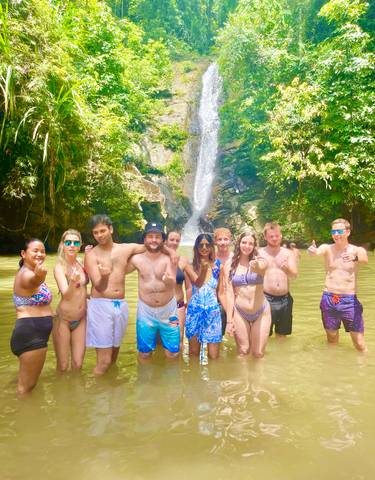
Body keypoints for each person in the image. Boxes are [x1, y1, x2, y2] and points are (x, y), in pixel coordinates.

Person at [84, 214, 147, 375]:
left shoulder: (125, 249)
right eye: (96, 232)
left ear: (111, 229)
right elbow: (98, 285)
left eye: (102, 231)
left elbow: (150, 246)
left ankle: (111, 394)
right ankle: (93, 395)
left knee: (112, 359)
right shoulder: (92, 255)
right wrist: (104, 275)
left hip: (121, 305)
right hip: (100, 306)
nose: (99, 235)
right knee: (104, 362)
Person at [308, 218, 368, 352]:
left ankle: (364, 367)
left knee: (359, 342)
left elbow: (364, 259)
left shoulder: (356, 250)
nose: (336, 234)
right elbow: (316, 252)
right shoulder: (327, 249)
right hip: (329, 298)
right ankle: (333, 366)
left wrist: (355, 258)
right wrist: (312, 251)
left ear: (347, 232)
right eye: (333, 231)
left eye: (339, 231)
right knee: (332, 338)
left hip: (349, 300)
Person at [127, 223, 180, 361]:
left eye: (157, 237)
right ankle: (144, 382)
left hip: (169, 311)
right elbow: (118, 270)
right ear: (144, 239)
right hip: (145, 311)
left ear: (163, 240)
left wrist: (168, 281)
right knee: (144, 353)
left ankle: (172, 382)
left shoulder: (170, 258)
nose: (154, 240)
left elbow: (172, 281)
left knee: (173, 353)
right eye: (150, 236)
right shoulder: (136, 259)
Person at [11, 239, 53, 394]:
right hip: (31, 336)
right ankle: (22, 416)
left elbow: (39, 303)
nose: (40, 254)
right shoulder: (26, 275)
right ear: (23, 253)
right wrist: (39, 277)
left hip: (33, 336)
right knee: (26, 389)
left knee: (28, 385)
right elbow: (33, 281)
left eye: (42, 251)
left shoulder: (31, 271)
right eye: (35, 251)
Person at [224, 230, 271, 358]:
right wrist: (229, 321)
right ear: (238, 243)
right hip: (240, 312)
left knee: (258, 353)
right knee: (243, 351)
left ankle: (258, 378)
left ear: (255, 245)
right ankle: (243, 378)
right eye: (244, 242)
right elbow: (229, 293)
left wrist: (256, 266)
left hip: (261, 311)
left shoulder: (261, 260)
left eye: (251, 243)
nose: (247, 246)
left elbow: (262, 267)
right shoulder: (230, 265)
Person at [52, 229, 88, 372]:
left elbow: (83, 290)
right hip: (64, 320)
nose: (72, 245)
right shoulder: (59, 267)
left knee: (78, 365)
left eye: (75, 242)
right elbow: (66, 295)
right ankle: (60, 393)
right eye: (68, 242)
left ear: (80, 245)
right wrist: (73, 282)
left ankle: (76, 393)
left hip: (81, 319)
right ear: (62, 245)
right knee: (63, 366)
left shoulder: (81, 263)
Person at [185, 234, 224, 360]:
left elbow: (221, 292)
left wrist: (230, 318)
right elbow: (197, 283)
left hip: (212, 312)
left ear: (212, 247)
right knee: (194, 353)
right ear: (196, 247)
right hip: (195, 312)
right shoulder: (190, 265)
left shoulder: (218, 266)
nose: (204, 247)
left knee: (213, 355)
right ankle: (194, 378)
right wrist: (203, 270)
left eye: (207, 245)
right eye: (201, 245)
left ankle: (213, 378)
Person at [259, 222, 298, 338]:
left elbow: (294, 275)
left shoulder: (288, 254)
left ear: (281, 235)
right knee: (264, 334)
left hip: (285, 299)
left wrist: (287, 270)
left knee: (282, 335)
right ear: (265, 237)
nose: (274, 238)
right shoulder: (260, 253)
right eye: (271, 236)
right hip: (266, 298)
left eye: (277, 235)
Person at [165, 231, 192, 351]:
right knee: (160, 342)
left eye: (177, 240)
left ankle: (179, 368)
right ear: (165, 240)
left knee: (178, 340)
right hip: (161, 307)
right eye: (172, 239)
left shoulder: (183, 261)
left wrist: (190, 306)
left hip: (178, 307)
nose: (174, 243)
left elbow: (189, 287)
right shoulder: (157, 259)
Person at [214, 227, 233, 335]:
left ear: (230, 241)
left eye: (225, 239)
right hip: (217, 302)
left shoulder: (235, 258)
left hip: (234, 300)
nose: (222, 242)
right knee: (217, 337)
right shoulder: (211, 258)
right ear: (215, 241)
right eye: (220, 239)